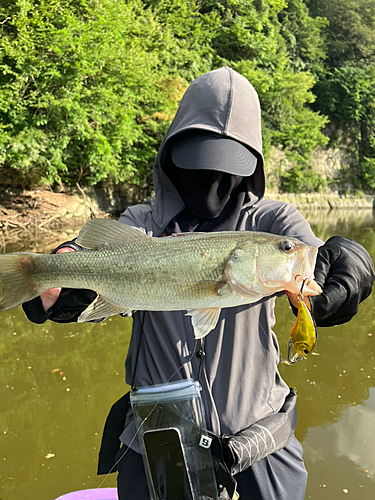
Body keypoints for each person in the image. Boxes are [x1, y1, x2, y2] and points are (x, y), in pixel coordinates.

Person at [23, 67, 374, 500]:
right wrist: (60, 283)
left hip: (259, 443)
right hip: (158, 440)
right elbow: (88, 257)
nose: (210, 175)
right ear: (173, 153)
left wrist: (350, 263)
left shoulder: (273, 224)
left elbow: (314, 253)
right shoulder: (141, 222)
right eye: (198, 160)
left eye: (228, 164)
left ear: (252, 163)